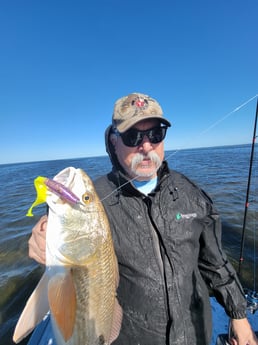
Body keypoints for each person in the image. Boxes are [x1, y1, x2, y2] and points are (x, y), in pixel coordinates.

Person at [28, 93, 258, 345]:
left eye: (156, 134)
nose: (146, 146)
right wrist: (44, 240)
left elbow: (214, 260)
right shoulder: (95, 199)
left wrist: (238, 315)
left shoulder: (190, 193)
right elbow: (67, 233)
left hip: (195, 331)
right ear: (113, 142)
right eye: (133, 136)